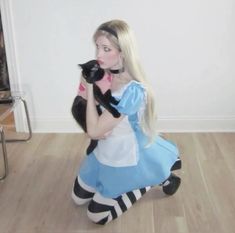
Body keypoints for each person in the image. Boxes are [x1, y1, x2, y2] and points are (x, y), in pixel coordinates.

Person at [71, 19, 181, 225]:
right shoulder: (104, 73)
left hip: (124, 155)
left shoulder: (132, 90)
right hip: (104, 150)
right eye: (97, 47)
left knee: (97, 216)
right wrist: (86, 87)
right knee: (77, 198)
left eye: (106, 49)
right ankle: (151, 176)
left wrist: (90, 86)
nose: (98, 55)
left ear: (122, 52)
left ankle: (147, 180)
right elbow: (88, 110)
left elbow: (94, 131)